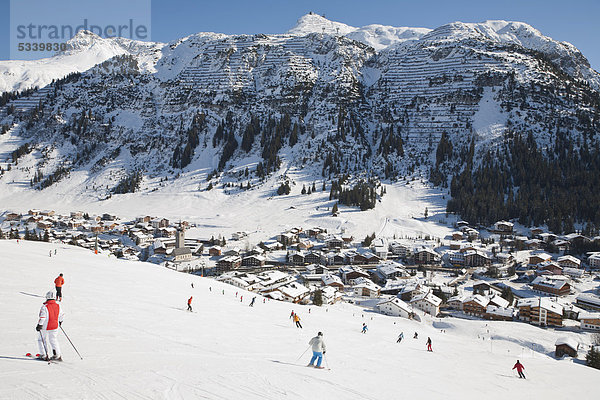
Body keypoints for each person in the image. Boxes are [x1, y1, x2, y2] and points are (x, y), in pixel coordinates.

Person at [36, 290, 64, 361]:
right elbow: (61, 315)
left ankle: (44, 354)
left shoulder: (44, 306)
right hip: (55, 326)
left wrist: (39, 325)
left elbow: (42, 317)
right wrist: (60, 322)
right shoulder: (58, 306)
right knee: (53, 339)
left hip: (45, 326)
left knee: (41, 339)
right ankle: (57, 355)